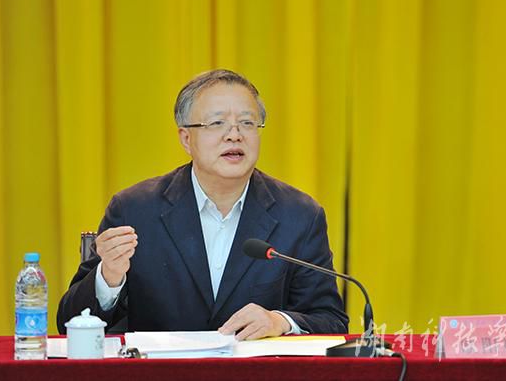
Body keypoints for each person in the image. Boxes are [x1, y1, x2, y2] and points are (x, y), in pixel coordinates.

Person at [57, 69, 348, 339]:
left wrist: (279, 321)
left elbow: (331, 321)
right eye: (217, 123)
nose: (234, 135)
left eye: (247, 123)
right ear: (186, 138)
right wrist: (108, 278)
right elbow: (68, 323)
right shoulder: (134, 210)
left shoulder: (299, 215)